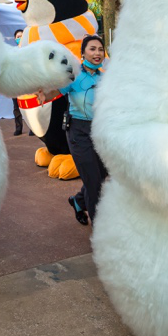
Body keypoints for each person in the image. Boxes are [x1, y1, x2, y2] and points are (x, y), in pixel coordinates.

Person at [64, 34, 108, 226]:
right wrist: (41, 91)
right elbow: (53, 91)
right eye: (92, 49)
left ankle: (78, 201)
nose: (97, 53)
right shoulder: (73, 75)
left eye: (100, 49)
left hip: (99, 131)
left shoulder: (105, 77)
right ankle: (99, 229)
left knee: (101, 174)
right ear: (83, 53)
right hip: (78, 132)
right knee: (94, 184)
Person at [11, 29, 27, 136]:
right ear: (14, 39)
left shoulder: (29, 50)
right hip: (15, 83)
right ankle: (18, 128)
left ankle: (33, 128)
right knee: (16, 107)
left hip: (27, 83)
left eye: (21, 36)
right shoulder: (12, 52)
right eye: (18, 37)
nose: (19, 38)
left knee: (30, 107)